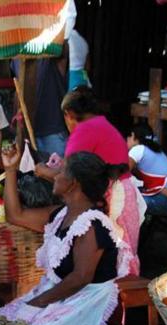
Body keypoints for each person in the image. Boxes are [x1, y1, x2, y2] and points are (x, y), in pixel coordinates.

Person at [0, 146, 133, 325]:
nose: (55, 175)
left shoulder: (92, 225)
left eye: (61, 171)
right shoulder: (61, 215)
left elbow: (80, 278)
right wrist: (11, 169)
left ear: (72, 184)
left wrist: (37, 303)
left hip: (89, 308)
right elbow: (15, 215)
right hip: (65, 299)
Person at [61, 87, 144, 274]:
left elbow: (68, 174)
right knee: (121, 254)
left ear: (69, 114)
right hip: (122, 193)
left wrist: (42, 171)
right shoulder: (101, 124)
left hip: (115, 197)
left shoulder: (85, 130)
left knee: (114, 256)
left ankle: (114, 299)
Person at [127, 123, 167, 216]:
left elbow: (122, 174)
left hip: (163, 201)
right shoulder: (157, 149)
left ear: (132, 135)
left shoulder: (138, 149)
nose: (126, 141)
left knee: (126, 201)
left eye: (127, 138)